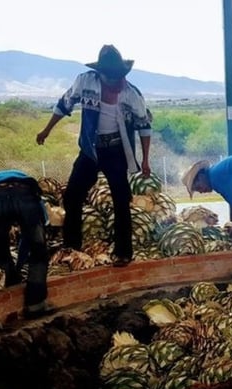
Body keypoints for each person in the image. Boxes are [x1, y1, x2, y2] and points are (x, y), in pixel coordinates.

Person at [36, 45, 152, 267]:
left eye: (121, 77)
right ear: (101, 75)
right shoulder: (85, 82)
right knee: (72, 196)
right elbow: (64, 104)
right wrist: (47, 129)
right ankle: (72, 247)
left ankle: (123, 253)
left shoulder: (132, 94)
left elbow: (144, 127)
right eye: (113, 78)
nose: (118, 83)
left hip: (117, 150)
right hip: (91, 149)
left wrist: (145, 159)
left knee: (121, 199)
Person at [0, 170, 51, 318]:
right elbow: (33, 234)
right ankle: (36, 305)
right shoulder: (25, 182)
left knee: (0, 250)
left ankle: (10, 291)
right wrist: (21, 263)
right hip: (24, 193)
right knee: (39, 251)